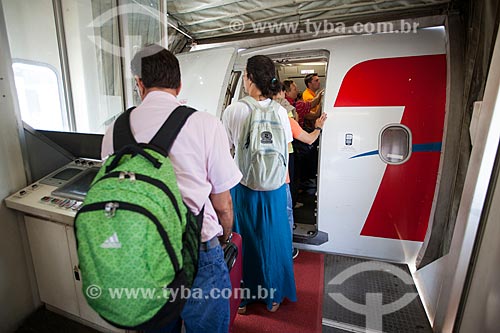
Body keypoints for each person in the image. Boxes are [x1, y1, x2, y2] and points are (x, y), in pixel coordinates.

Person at [101, 44, 242, 333]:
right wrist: (225, 236)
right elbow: (223, 204)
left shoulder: (114, 130)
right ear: (179, 84)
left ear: (139, 83)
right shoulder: (205, 124)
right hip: (199, 253)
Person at [222, 55, 296, 314]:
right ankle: (273, 297)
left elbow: (227, 150)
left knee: (246, 242)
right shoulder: (280, 111)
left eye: (244, 75)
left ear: (250, 78)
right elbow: (286, 149)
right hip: (275, 190)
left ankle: (243, 300)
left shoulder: (234, 111)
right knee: (274, 241)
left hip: (244, 188)